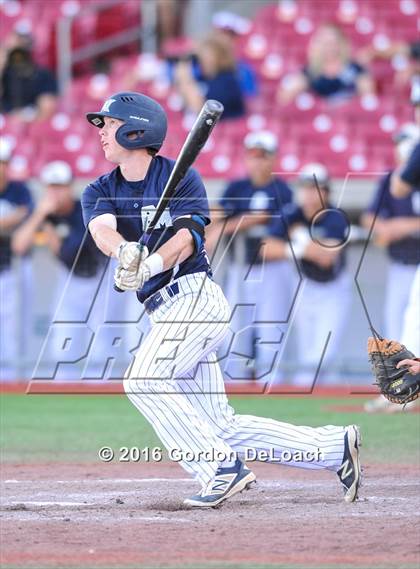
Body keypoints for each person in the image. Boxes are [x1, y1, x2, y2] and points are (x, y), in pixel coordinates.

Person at [81, 91, 361, 508]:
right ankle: (332, 447)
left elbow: (188, 237)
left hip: (194, 300)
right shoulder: (99, 188)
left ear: (138, 129)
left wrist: (151, 263)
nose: (101, 131)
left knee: (143, 381)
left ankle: (218, 469)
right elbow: (103, 229)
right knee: (219, 425)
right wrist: (124, 253)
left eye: (110, 123)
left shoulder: (180, 176)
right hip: (163, 312)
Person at [205, 131, 294, 382]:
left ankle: (272, 387)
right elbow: (219, 211)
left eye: (263, 156)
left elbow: (262, 216)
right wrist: (208, 224)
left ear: (273, 159)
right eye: (253, 156)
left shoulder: (281, 189)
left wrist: (225, 227)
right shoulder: (237, 187)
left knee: (270, 330)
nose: (257, 162)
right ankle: (234, 385)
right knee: (234, 330)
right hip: (239, 267)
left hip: (271, 270)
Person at [12, 161, 108, 380]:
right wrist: (40, 215)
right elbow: (19, 245)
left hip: (98, 280)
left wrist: (48, 229)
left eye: (61, 186)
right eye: (52, 187)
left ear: (70, 186)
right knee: (63, 345)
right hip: (69, 281)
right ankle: (64, 391)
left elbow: (70, 251)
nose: (56, 192)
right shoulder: (45, 214)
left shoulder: (84, 210)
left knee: (100, 344)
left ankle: (100, 393)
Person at [264, 164, 352, 385]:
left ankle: (303, 389)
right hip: (305, 287)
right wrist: (303, 248)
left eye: (316, 188)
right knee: (307, 350)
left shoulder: (335, 217)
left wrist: (300, 239)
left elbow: (326, 257)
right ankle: (314, 401)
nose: (310, 194)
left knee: (323, 352)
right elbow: (266, 249)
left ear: (326, 192)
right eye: (306, 188)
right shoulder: (292, 214)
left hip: (333, 290)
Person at [361, 123, 420, 341]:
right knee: (397, 331)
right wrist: (384, 229)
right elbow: (369, 217)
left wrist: (404, 226)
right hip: (401, 265)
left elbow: (402, 225)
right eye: (399, 143)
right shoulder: (390, 179)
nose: (401, 148)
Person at [0, 139, 33, 379]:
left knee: (13, 326)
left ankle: (10, 379)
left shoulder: (19, 190)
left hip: (11, 266)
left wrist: (17, 219)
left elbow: (28, 216)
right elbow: (18, 216)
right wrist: (11, 220)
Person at [278, 23, 375, 104]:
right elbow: (283, 98)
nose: (329, 47)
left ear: (341, 44)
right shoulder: (310, 73)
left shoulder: (355, 69)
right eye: (324, 43)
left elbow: (369, 99)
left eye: (333, 42)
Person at [174, 32, 245, 120]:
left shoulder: (227, 81)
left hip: (226, 129)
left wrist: (185, 78)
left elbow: (201, 110)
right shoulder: (203, 79)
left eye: (207, 55)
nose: (203, 59)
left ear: (220, 57)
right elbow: (185, 104)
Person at [0, 46, 57, 121]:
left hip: (33, 120)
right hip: (6, 120)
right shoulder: (6, 74)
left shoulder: (42, 74)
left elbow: (47, 106)